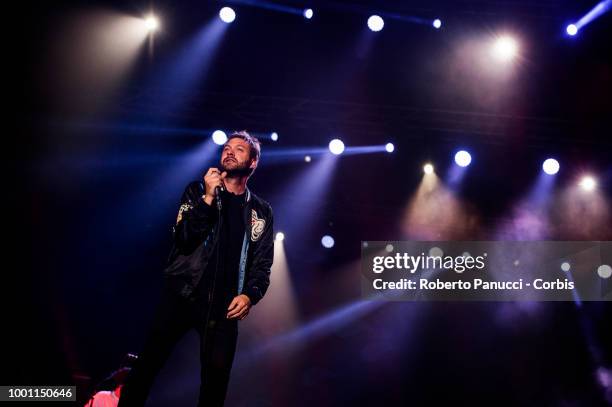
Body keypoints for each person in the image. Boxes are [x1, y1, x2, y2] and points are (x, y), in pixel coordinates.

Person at [118, 131, 274, 407]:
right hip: (182, 293)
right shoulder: (197, 190)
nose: (229, 152)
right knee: (147, 366)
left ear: (252, 163)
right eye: (226, 147)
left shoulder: (260, 211)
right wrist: (208, 199)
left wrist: (250, 294)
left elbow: (263, 263)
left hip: (224, 306)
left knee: (215, 383)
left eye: (238, 149)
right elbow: (184, 238)